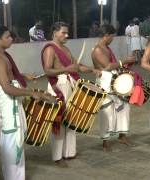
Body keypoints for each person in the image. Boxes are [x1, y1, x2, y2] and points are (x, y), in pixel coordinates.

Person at [0, 25, 50, 180]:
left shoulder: (3, 56)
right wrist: (32, 93)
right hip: (9, 106)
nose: (11, 39)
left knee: (16, 144)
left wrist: (23, 75)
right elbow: (7, 87)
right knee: (12, 146)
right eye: (7, 37)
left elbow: (8, 76)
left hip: (12, 105)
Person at [41, 21, 101, 167]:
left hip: (70, 84)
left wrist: (92, 70)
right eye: (63, 32)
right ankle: (57, 157)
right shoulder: (50, 49)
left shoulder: (65, 49)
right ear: (55, 33)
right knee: (59, 121)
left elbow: (77, 66)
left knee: (71, 118)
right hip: (58, 86)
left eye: (67, 32)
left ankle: (69, 152)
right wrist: (67, 69)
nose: (67, 35)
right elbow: (48, 70)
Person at [92, 24, 136, 151]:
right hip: (104, 82)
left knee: (124, 106)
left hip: (114, 80)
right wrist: (124, 61)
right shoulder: (98, 49)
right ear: (106, 36)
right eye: (112, 37)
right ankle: (105, 142)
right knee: (106, 111)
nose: (112, 39)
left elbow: (113, 66)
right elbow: (108, 66)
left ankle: (122, 135)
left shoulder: (106, 47)